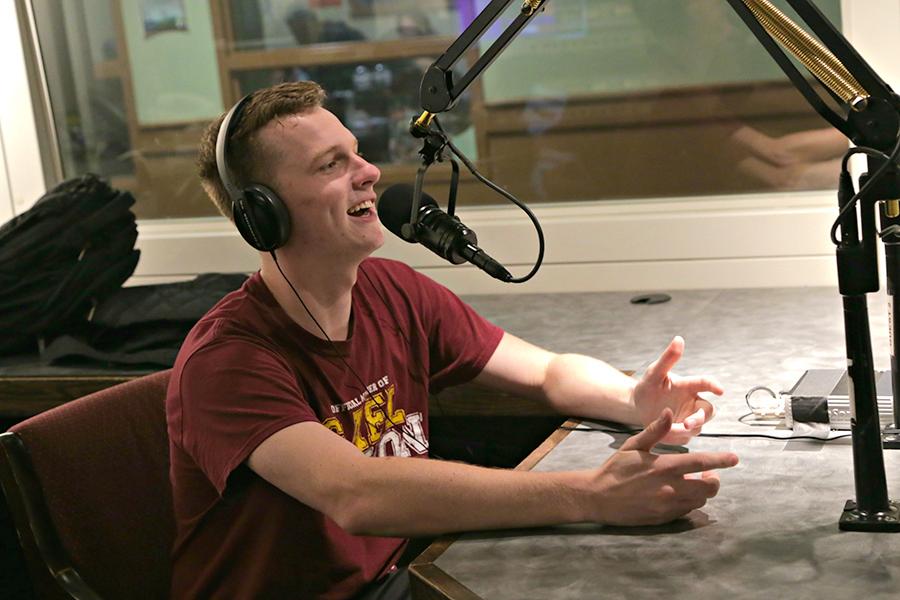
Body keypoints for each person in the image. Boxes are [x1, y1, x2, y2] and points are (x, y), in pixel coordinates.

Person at [167, 81, 739, 599]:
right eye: (330, 165)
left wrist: (630, 398)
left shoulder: (391, 290)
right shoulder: (228, 359)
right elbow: (355, 493)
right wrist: (589, 495)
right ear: (262, 215)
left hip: (393, 578)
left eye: (357, 152)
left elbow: (544, 372)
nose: (368, 172)